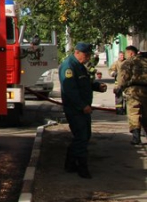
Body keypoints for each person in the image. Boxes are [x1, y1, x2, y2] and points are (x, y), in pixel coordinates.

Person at [59, 42, 107, 178]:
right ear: (77, 52)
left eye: (89, 55)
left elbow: (84, 83)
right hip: (75, 109)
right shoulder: (69, 66)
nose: (87, 58)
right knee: (81, 137)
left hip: (83, 108)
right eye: (85, 55)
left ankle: (70, 164)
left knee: (84, 136)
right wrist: (82, 106)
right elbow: (70, 90)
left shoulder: (79, 66)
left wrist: (97, 86)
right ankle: (82, 168)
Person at [116, 45, 147, 145]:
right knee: (145, 113)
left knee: (134, 113)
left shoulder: (128, 62)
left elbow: (123, 77)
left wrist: (119, 88)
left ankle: (136, 137)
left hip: (133, 90)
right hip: (146, 90)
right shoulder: (145, 61)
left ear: (131, 53)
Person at [111, 51, 128, 116]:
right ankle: (119, 110)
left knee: (126, 97)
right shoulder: (116, 63)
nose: (122, 57)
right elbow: (110, 70)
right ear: (118, 56)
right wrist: (114, 73)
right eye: (121, 55)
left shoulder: (127, 62)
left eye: (123, 55)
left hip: (126, 83)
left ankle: (126, 110)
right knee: (118, 97)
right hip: (117, 84)